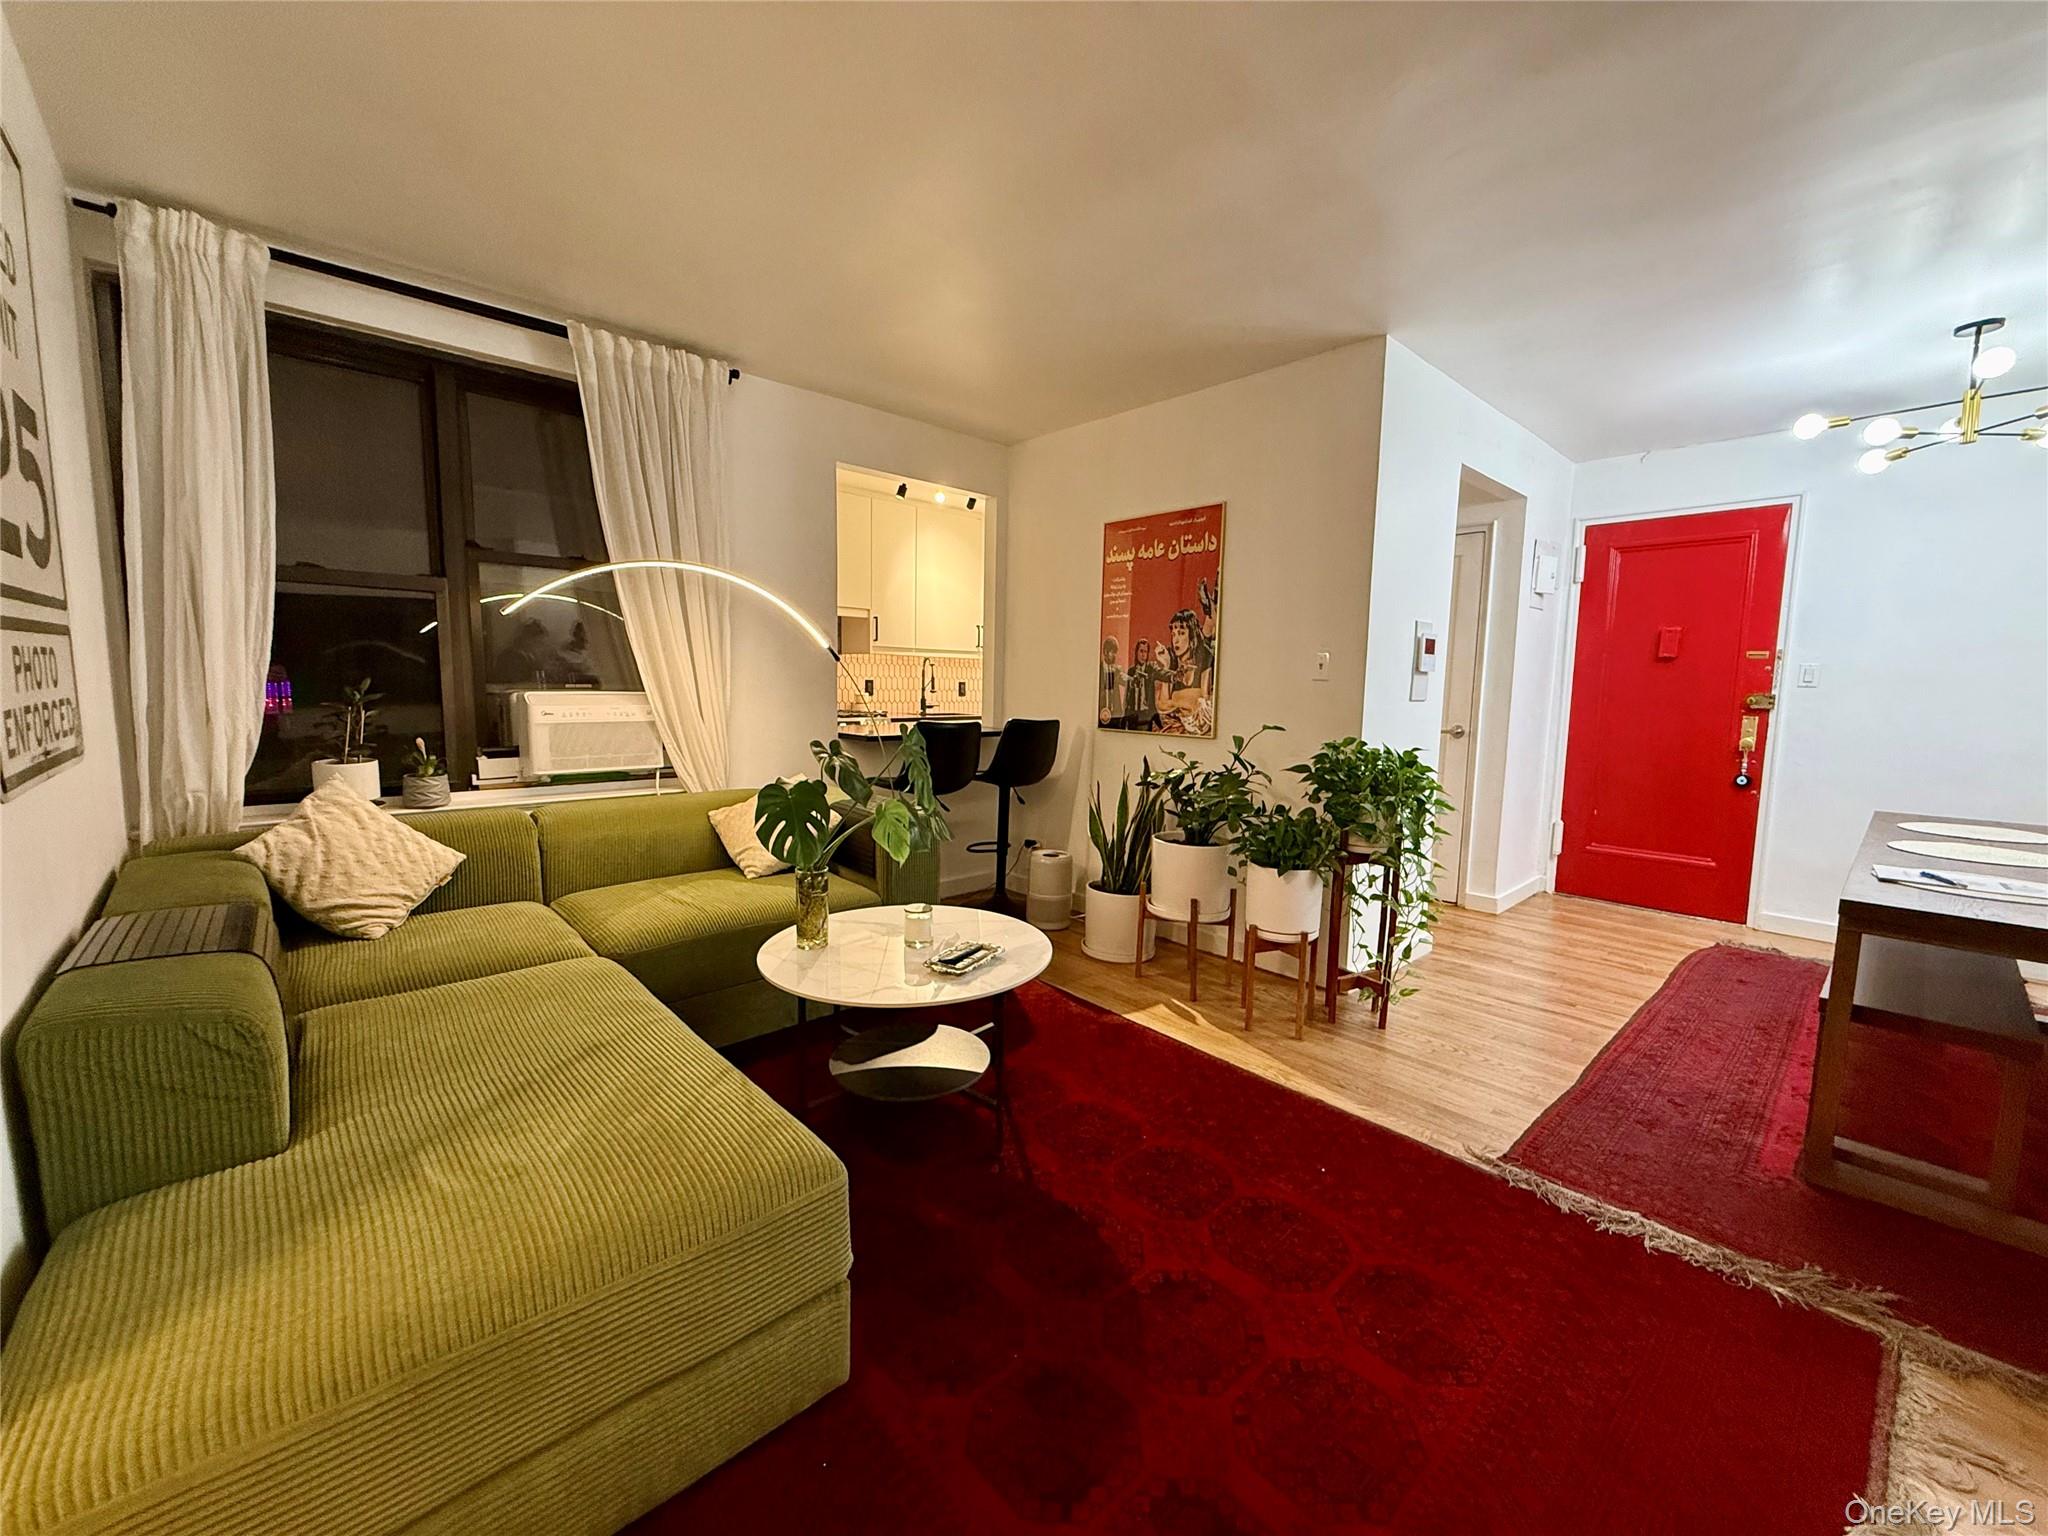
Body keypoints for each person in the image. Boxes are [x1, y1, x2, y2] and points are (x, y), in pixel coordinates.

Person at [1155, 607, 1215, 734]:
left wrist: (1177, 706)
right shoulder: (1173, 668)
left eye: (1181, 633)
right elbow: (1163, 707)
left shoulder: (1204, 662)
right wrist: (1166, 665)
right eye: (1173, 634)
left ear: (1192, 635)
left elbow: (1205, 702)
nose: (1175, 640)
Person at [1122, 637, 1160, 731]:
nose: (1143, 655)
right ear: (1137, 653)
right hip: (1132, 717)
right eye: (1141, 651)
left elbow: (1162, 673)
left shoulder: (1151, 670)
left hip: (1145, 717)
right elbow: (1127, 697)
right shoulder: (1131, 671)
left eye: (1145, 652)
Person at [1098, 635, 1125, 726]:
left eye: (1116, 652)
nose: (1115, 655)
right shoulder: (1098, 670)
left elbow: (1125, 680)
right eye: (1113, 652)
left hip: (1116, 716)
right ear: (1105, 652)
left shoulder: (1117, 670)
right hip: (1100, 715)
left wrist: (1133, 679)